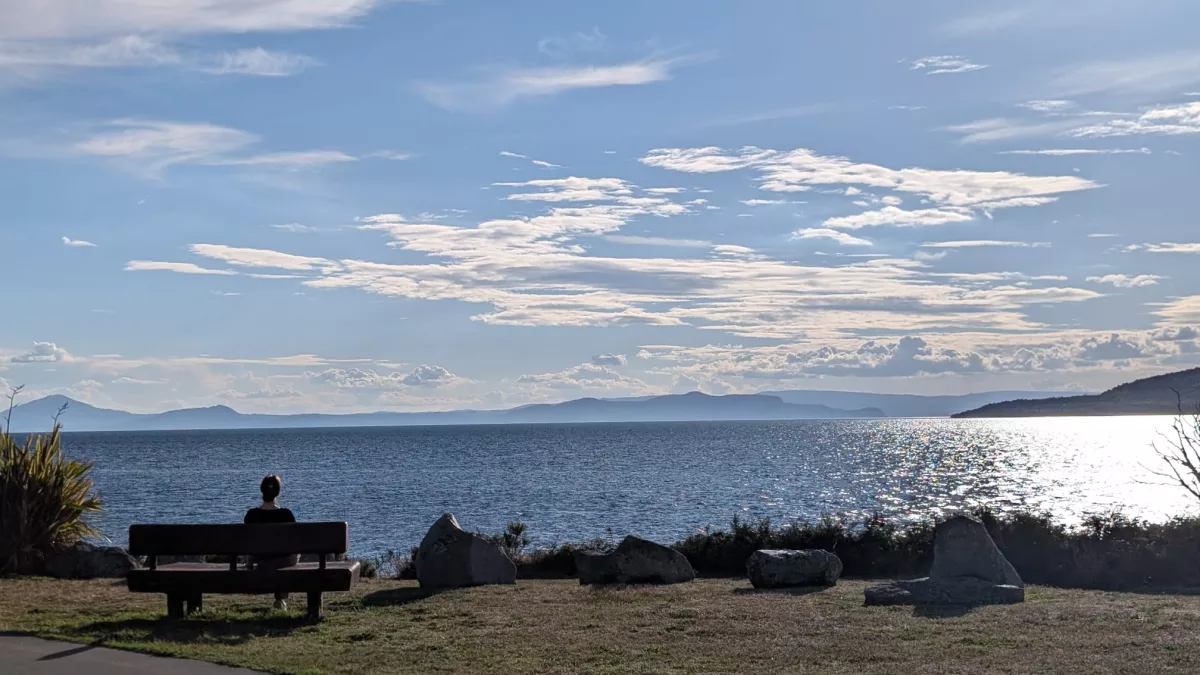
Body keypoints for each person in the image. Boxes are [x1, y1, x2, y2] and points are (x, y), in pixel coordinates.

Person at [244, 475, 298, 610]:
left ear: (262, 491)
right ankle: (280, 598)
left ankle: (280, 598)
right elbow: (295, 542)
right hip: (282, 560)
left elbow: (247, 542)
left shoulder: (251, 515)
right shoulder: (286, 515)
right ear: (278, 493)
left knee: (267, 559)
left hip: (260, 559)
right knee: (292, 556)